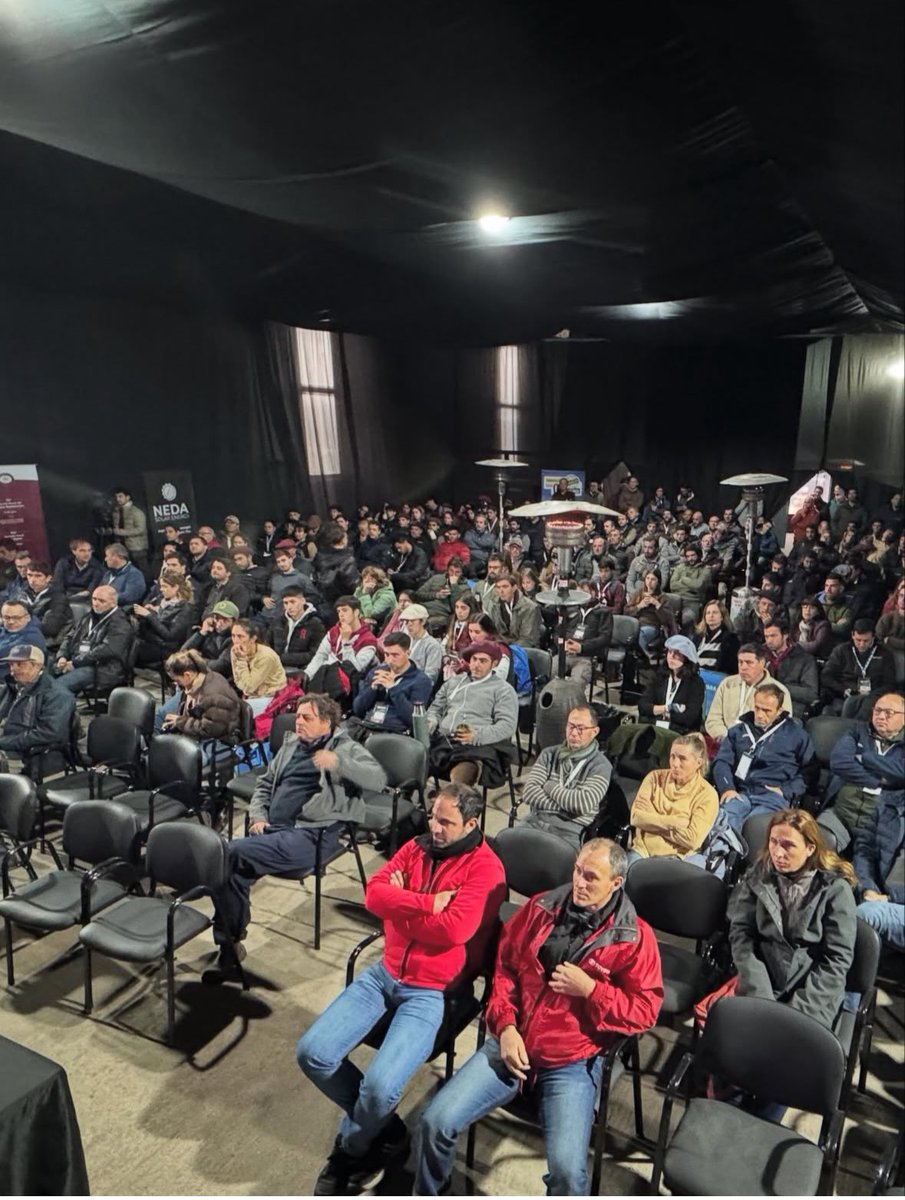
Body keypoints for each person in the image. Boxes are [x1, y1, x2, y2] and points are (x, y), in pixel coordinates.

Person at [414, 838, 663, 1197]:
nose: (579, 881)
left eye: (591, 877)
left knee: (567, 1174)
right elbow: (505, 969)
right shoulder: (541, 907)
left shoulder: (635, 939)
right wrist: (507, 1027)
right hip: (512, 1044)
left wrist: (592, 990)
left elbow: (644, 1012)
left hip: (570, 1062)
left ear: (616, 883)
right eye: (578, 870)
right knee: (434, 1122)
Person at [297, 783, 506, 1196]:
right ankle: (387, 1132)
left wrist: (399, 904)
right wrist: (425, 904)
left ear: (472, 823)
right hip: (385, 972)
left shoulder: (487, 870)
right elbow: (374, 896)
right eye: (433, 817)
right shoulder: (417, 847)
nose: (436, 827)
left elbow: (455, 930)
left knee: (380, 1088)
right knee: (312, 1053)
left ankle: (353, 1146)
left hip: (432, 991)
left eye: (446, 822)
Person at [207, 694, 386, 978]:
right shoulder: (291, 745)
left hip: (312, 835)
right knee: (229, 868)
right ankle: (230, 943)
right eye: (298, 716)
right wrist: (259, 816)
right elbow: (264, 785)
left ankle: (228, 939)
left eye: (307, 718)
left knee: (227, 853)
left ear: (326, 723)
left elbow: (378, 779)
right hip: (272, 830)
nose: (298, 722)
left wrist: (338, 762)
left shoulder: (345, 747)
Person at [728, 809, 857, 1029]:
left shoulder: (835, 889)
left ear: (810, 848)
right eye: (773, 842)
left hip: (813, 994)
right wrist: (761, 995)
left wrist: (797, 1010)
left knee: (792, 1049)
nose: (778, 852)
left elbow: (836, 961)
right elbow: (742, 936)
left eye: (788, 845)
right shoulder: (758, 875)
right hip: (762, 981)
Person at [713, 682, 815, 834]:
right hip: (740, 792)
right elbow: (721, 762)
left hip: (772, 796)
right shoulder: (738, 731)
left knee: (755, 828)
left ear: (779, 711)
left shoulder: (796, 735)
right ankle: (716, 856)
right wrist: (727, 788)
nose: (760, 715)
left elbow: (810, 771)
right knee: (725, 820)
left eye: (767, 710)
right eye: (757, 708)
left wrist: (786, 791)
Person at [426, 640, 518, 788]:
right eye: (474, 659)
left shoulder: (503, 690)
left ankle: (451, 802)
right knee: (414, 756)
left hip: (477, 745)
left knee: (466, 768)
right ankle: (406, 799)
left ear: (494, 664)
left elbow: (507, 726)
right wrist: (431, 721)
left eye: (483, 661)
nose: (476, 664)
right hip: (444, 739)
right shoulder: (453, 682)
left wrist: (477, 736)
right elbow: (436, 708)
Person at [519, 705, 613, 850]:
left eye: (581, 728)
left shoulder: (600, 765)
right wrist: (566, 807)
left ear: (594, 732)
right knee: (507, 849)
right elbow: (529, 793)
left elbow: (581, 804)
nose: (574, 733)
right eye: (570, 726)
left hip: (571, 829)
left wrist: (549, 786)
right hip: (535, 820)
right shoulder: (549, 754)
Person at [852, 712, 905, 950]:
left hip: (895, 902)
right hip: (877, 894)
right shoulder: (891, 797)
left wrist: (890, 899)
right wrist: (868, 887)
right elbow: (864, 847)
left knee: (864, 916)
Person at [629, 733, 719, 862]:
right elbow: (636, 818)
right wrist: (677, 822)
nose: (675, 764)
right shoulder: (654, 778)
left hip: (678, 858)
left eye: (682, 758)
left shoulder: (707, 794)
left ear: (698, 763)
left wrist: (652, 818)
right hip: (642, 852)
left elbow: (693, 840)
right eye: (672, 757)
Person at [827, 691, 904, 838]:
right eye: (878, 710)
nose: (881, 716)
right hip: (842, 810)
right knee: (817, 843)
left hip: (884, 818)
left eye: (889, 713)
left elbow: (901, 771)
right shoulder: (857, 730)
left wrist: (865, 758)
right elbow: (839, 762)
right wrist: (877, 780)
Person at [0, 644, 76, 775]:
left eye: (20, 665)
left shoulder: (58, 695)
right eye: (11, 665)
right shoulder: (12, 686)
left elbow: (48, 734)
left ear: (37, 666)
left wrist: (4, 742)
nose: (13, 671)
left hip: (30, 753)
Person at [159, 649, 242, 761]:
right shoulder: (198, 681)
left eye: (177, 680)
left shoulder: (213, 694)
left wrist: (181, 722)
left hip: (220, 742)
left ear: (187, 675)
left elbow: (210, 729)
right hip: (204, 736)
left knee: (175, 762)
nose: (176, 684)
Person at [53, 584, 133, 694]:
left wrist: (76, 662)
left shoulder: (120, 623)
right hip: (79, 660)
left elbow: (108, 650)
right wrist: (62, 656)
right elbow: (70, 637)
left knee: (58, 686)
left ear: (113, 603)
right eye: (94, 599)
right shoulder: (88, 616)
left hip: (102, 669)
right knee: (41, 674)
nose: (96, 603)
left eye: (101, 601)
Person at [704, 643, 792, 742]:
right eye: (740, 662)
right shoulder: (727, 684)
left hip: (758, 746)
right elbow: (713, 719)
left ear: (762, 663)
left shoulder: (779, 691)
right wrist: (726, 737)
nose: (743, 667)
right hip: (725, 742)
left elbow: (782, 729)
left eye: (749, 662)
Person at [351, 632, 434, 735]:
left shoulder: (421, 681)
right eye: (386, 654)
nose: (390, 660)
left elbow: (413, 719)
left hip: (395, 733)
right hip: (368, 726)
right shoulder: (376, 672)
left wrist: (393, 689)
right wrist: (372, 688)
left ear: (408, 653)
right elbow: (357, 709)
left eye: (395, 655)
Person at [303, 596, 380, 699]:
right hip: (326, 675)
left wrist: (346, 642)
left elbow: (353, 669)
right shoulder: (333, 632)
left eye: (345, 610)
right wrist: (307, 674)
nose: (341, 614)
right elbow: (320, 656)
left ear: (356, 612)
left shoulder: (368, 640)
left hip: (348, 684)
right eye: (339, 611)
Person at [821, 619, 896, 713]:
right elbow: (826, 676)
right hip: (846, 693)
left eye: (866, 641)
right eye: (858, 640)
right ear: (853, 635)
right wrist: (843, 690)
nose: (861, 644)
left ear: (873, 637)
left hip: (873, 696)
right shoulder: (842, 650)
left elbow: (889, 683)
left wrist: (873, 695)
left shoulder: (884, 653)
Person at [637, 635, 705, 734]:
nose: (671, 656)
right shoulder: (659, 676)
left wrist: (657, 712)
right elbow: (642, 706)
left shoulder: (696, 683)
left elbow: (689, 718)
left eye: (677, 653)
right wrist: (668, 708)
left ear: (687, 658)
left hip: (680, 732)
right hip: (657, 726)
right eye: (669, 652)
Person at [131, 572, 196, 666]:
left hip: (167, 648)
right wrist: (150, 613)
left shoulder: (185, 609)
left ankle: (126, 677)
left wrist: (149, 615)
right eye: (161, 586)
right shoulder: (165, 602)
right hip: (153, 642)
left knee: (131, 650)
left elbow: (170, 635)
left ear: (176, 587)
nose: (161, 590)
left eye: (165, 586)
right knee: (127, 643)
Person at [762, 618, 819, 718]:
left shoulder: (805, 659)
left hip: (791, 708)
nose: (769, 641)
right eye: (766, 637)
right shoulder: (761, 654)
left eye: (773, 636)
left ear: (785, 636)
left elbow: (811, 694)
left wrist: (780, 687)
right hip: (761, 704)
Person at [230, 619, 287, 716]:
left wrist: (241, 660)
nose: (236, 641)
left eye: (240, 636)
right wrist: (247, 688)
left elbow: (249, 687)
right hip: (252, 696)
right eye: (233, 636)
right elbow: (238, 681)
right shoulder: (235, 651)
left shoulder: (266, 656)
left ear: (253, 638)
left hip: (273, 697)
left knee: (238, 714)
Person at [560, 586, 614, 686]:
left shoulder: (604, 612)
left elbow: (605, 638)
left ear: (592, 593)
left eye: (583, 592)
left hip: (587, 656)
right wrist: (563, 643)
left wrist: (582, 647)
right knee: (547, 675)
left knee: (575, 684)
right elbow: (558, 630)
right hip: (566, 653)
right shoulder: (572, 610)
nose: (580, 596)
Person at [267, 586, 326, 673]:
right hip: (276, 666)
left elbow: (315, 654)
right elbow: (267, 643)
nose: (289, 607)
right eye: (286, 603)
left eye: (292, 602)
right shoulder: (278, 621)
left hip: (301, 669)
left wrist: (282, 658)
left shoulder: (315, 623)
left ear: (303, 601)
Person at [625, 569, 676, 659]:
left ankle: (646, 656)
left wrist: (657, 604)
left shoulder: (663, 597)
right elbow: (626, 611)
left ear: (658, 581)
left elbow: (668, 620)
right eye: (647, 578)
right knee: (627, 632)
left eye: (653, 579)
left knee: (640, 633)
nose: (649, 582)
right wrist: (639, 606)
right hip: (636, 624)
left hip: (652, 626)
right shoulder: (638, 593)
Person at [481, 575, 543, 648]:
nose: (501, 591)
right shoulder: (494, 605)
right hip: (501, 647)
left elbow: (527, 639)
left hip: (524, 650)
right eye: (498, 587)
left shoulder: (530, 608)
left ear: (514, 588)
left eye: (505, 587)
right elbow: (493, 632)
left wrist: (508, 650)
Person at [182, 599, 238, 678]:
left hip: (219, 678)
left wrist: (195, 659)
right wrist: (202, 632)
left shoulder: (234, 638)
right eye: (217, 618)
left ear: (233, 622)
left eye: (225, 619)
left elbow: (219, 666)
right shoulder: (209, 630)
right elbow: (183, 652)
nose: (219, 623)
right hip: (199, 671)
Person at [22, 561, 72, 646]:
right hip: (24, 639)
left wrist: (20, 622)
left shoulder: (59, 598)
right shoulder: (22, 595)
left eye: (38, 576)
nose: (32, 580)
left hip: (49, 644)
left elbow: (51, 628)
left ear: (48, 578)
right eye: (29, 575)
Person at [315, 524, 361, 604]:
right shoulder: (347, 561)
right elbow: (354, 586)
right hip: (345, 603)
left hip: (324, 601)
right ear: (342, 538)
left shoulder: (320, 556)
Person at [399, 603, 444, 684]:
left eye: (412, 621)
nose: (409, 624)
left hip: (417, 686)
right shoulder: (404, 641)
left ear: (422, 622)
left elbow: (430, 676)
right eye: (407, 621)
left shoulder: (432, 645)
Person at [692, 600, 740, 675]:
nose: (711, 615)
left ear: (722, 616)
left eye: (715, 612)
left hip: (717, 677)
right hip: (696, 675)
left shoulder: (731, 638)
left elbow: (730, 667)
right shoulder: (698, 636)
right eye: (708, 613)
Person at [112, 487, 149, 573]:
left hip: (137, 547)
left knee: (143, 570)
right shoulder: (117, 511)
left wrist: (120, 532)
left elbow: (140, 529)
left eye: (120, 496)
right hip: (122, 547)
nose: (118, 499)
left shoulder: (136, 512)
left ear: (127, 497)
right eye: (117, 497)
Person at [101, 543, 147, 608]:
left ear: (117, 557)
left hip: (122, 612)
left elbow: (130, 596)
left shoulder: (134, 574)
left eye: (107, 556)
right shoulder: (108, 574)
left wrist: (108, 598)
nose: (105, 559)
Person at [354, 566, 397, 634]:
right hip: (365, 621)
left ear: (379, 580)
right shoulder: (360, 591)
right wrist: (362, 618)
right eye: (364, 578)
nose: (366, 581)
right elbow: (352, 608)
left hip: (383, 628)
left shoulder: (387, 595)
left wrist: (365, 594)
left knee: (367, 626)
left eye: (370, 578)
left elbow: (371, 614)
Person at [795, 595, 834, 659]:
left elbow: (816, 646)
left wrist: (796, 646)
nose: (807, 610)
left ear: (818, 611)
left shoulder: (823, 625)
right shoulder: (797, 624)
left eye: (812, 608)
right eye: (805, 607)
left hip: (817, 659)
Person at [821, 573, 854, 646]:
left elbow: (842, 629)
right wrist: (833, 624)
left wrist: (819, 624)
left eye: (833, 586)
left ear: (841, 588)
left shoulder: (847, 607)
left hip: (836, 644)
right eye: (826, 586)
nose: (828, 589)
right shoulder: (817, 603)